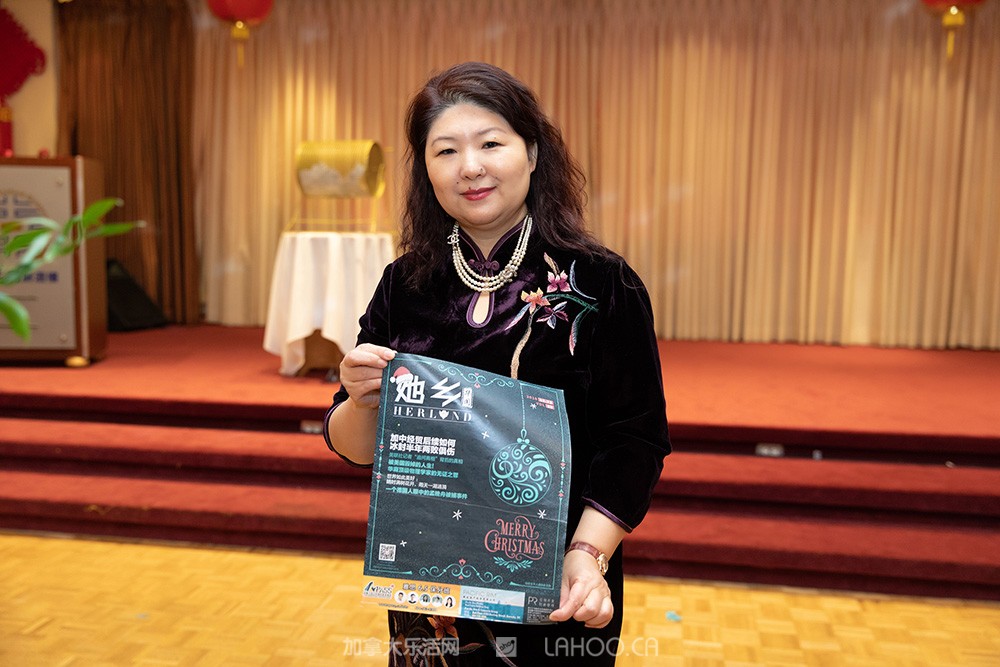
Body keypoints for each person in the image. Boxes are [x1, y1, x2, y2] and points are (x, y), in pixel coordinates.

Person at [324, 61, 670, 666]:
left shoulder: (601, 284)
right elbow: (356, 447)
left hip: (559, 580)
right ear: (426, 170)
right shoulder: (404, 285)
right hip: (432, 592)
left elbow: (634, 439)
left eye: (490, 144)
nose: (470, 167)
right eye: (446, 151)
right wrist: (359, 400)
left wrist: (588, 555)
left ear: (532, 153)